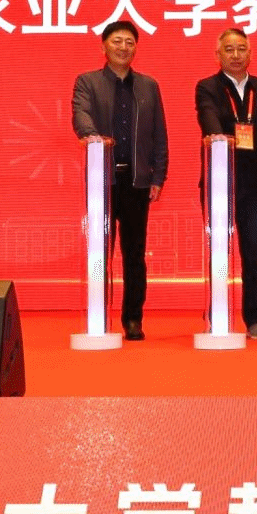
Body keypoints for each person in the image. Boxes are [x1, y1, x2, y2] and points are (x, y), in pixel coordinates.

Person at [71, 19, 169, 340]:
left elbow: (159, 134)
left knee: (134, 255)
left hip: (137, 182)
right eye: (117, 41)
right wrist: (92, 136)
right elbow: (80, 114)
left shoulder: (149, 86)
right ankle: (99, 314)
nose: (123, 47)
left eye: (129, 42)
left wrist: (158, 176)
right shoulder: (87, 82)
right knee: (100, 252)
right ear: (104, 46)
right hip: (103, 180)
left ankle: (133, 318)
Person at [194, 27, 257, 339]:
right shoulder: (207, 87)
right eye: (229, 49)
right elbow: (207, 116)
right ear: (218, 54)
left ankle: (255, 318)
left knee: (255, 254)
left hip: (256, 185)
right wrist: (217, 135)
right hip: (220, 182)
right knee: (218, 251)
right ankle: (217, 313)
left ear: (250, 53)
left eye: (241, 49)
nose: (236, 55)